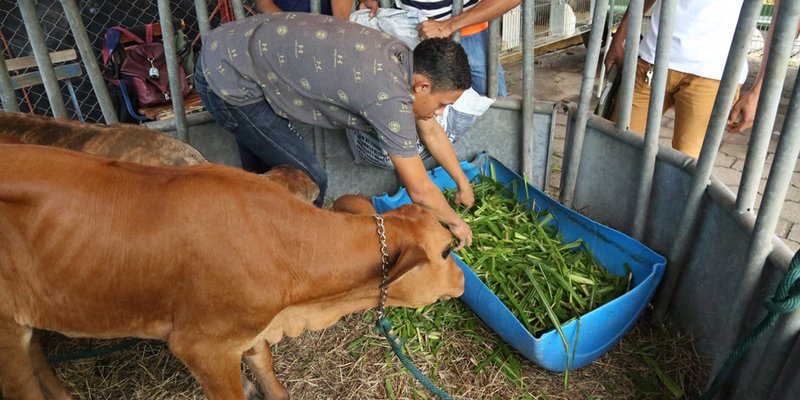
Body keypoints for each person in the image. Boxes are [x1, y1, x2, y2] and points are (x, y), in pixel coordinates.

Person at [195, 12, 474, 250]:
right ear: (422, 86)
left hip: (232, 47)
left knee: (265, 179)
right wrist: (456, 224)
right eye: (442, 104)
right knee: (308, 180)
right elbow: (421, 191)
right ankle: (294, 253)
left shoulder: (401, 60)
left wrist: (462, 183)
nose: (440, 113)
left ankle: (258, 242)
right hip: (228, 76)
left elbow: (431, 130)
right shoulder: (389, 97)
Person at [605, 0, 785, 159]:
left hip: (715, 75)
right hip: (652, 59)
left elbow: (787, 15)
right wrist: (618, 38)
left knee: (688, 166)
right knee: (617, 150)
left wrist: (759, 90)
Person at [360, 0, 518, 96]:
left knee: (489, 103)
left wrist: (449, 25)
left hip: (470, 34)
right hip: (410, 32)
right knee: (419, 108)